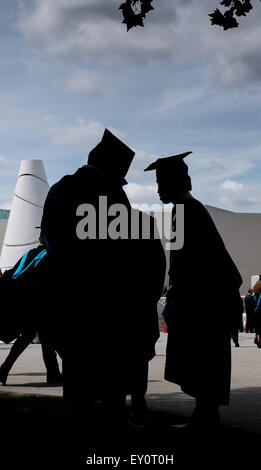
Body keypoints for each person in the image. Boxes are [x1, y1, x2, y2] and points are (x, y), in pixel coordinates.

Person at [40, 129, 166, 436]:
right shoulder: (111, 192)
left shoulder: (60, 189)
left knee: (80, 392)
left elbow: (47, 240)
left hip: (75, 308)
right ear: (112, 169)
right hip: (114, 312)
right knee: (113, 397)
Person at [144, 151, 243, 431]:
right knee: (203, 359)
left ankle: (205, 417)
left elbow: (188, 261)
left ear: (175, 181)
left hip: (204, 301)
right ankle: (204, 415)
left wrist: (176, 296)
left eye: (161, 182)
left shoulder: (187, 210)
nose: (158, 189)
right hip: (206, 298)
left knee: (202, 358)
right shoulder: (188, 208)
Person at [0, 240, 62, 385]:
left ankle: (5, 368)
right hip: (40, 303)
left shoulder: (31, 253)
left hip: (26, 302)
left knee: (31, 336)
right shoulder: (50, 255)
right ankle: (53, 374)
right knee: (48, 338)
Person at [251, 281, 261, 348]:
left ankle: (257, 341)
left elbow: (252, 305)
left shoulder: (254, 296)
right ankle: (259, 342)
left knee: (257, 328)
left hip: (255, 313)